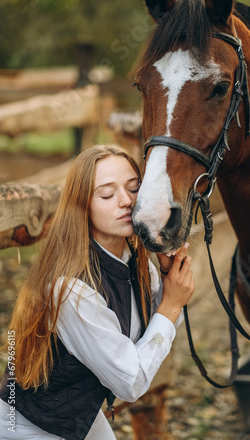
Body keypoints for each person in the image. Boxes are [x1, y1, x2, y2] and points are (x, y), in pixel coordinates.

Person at [0, 144, 194, 440]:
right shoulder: (71, 290)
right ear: (82, 206)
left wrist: (168, 282)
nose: (126, 202)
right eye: (107, 194)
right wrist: (170, 304)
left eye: (133, 188)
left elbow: (158, 329)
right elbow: (131, 382)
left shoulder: (136, 263)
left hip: (80, 416)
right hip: (26, 425)